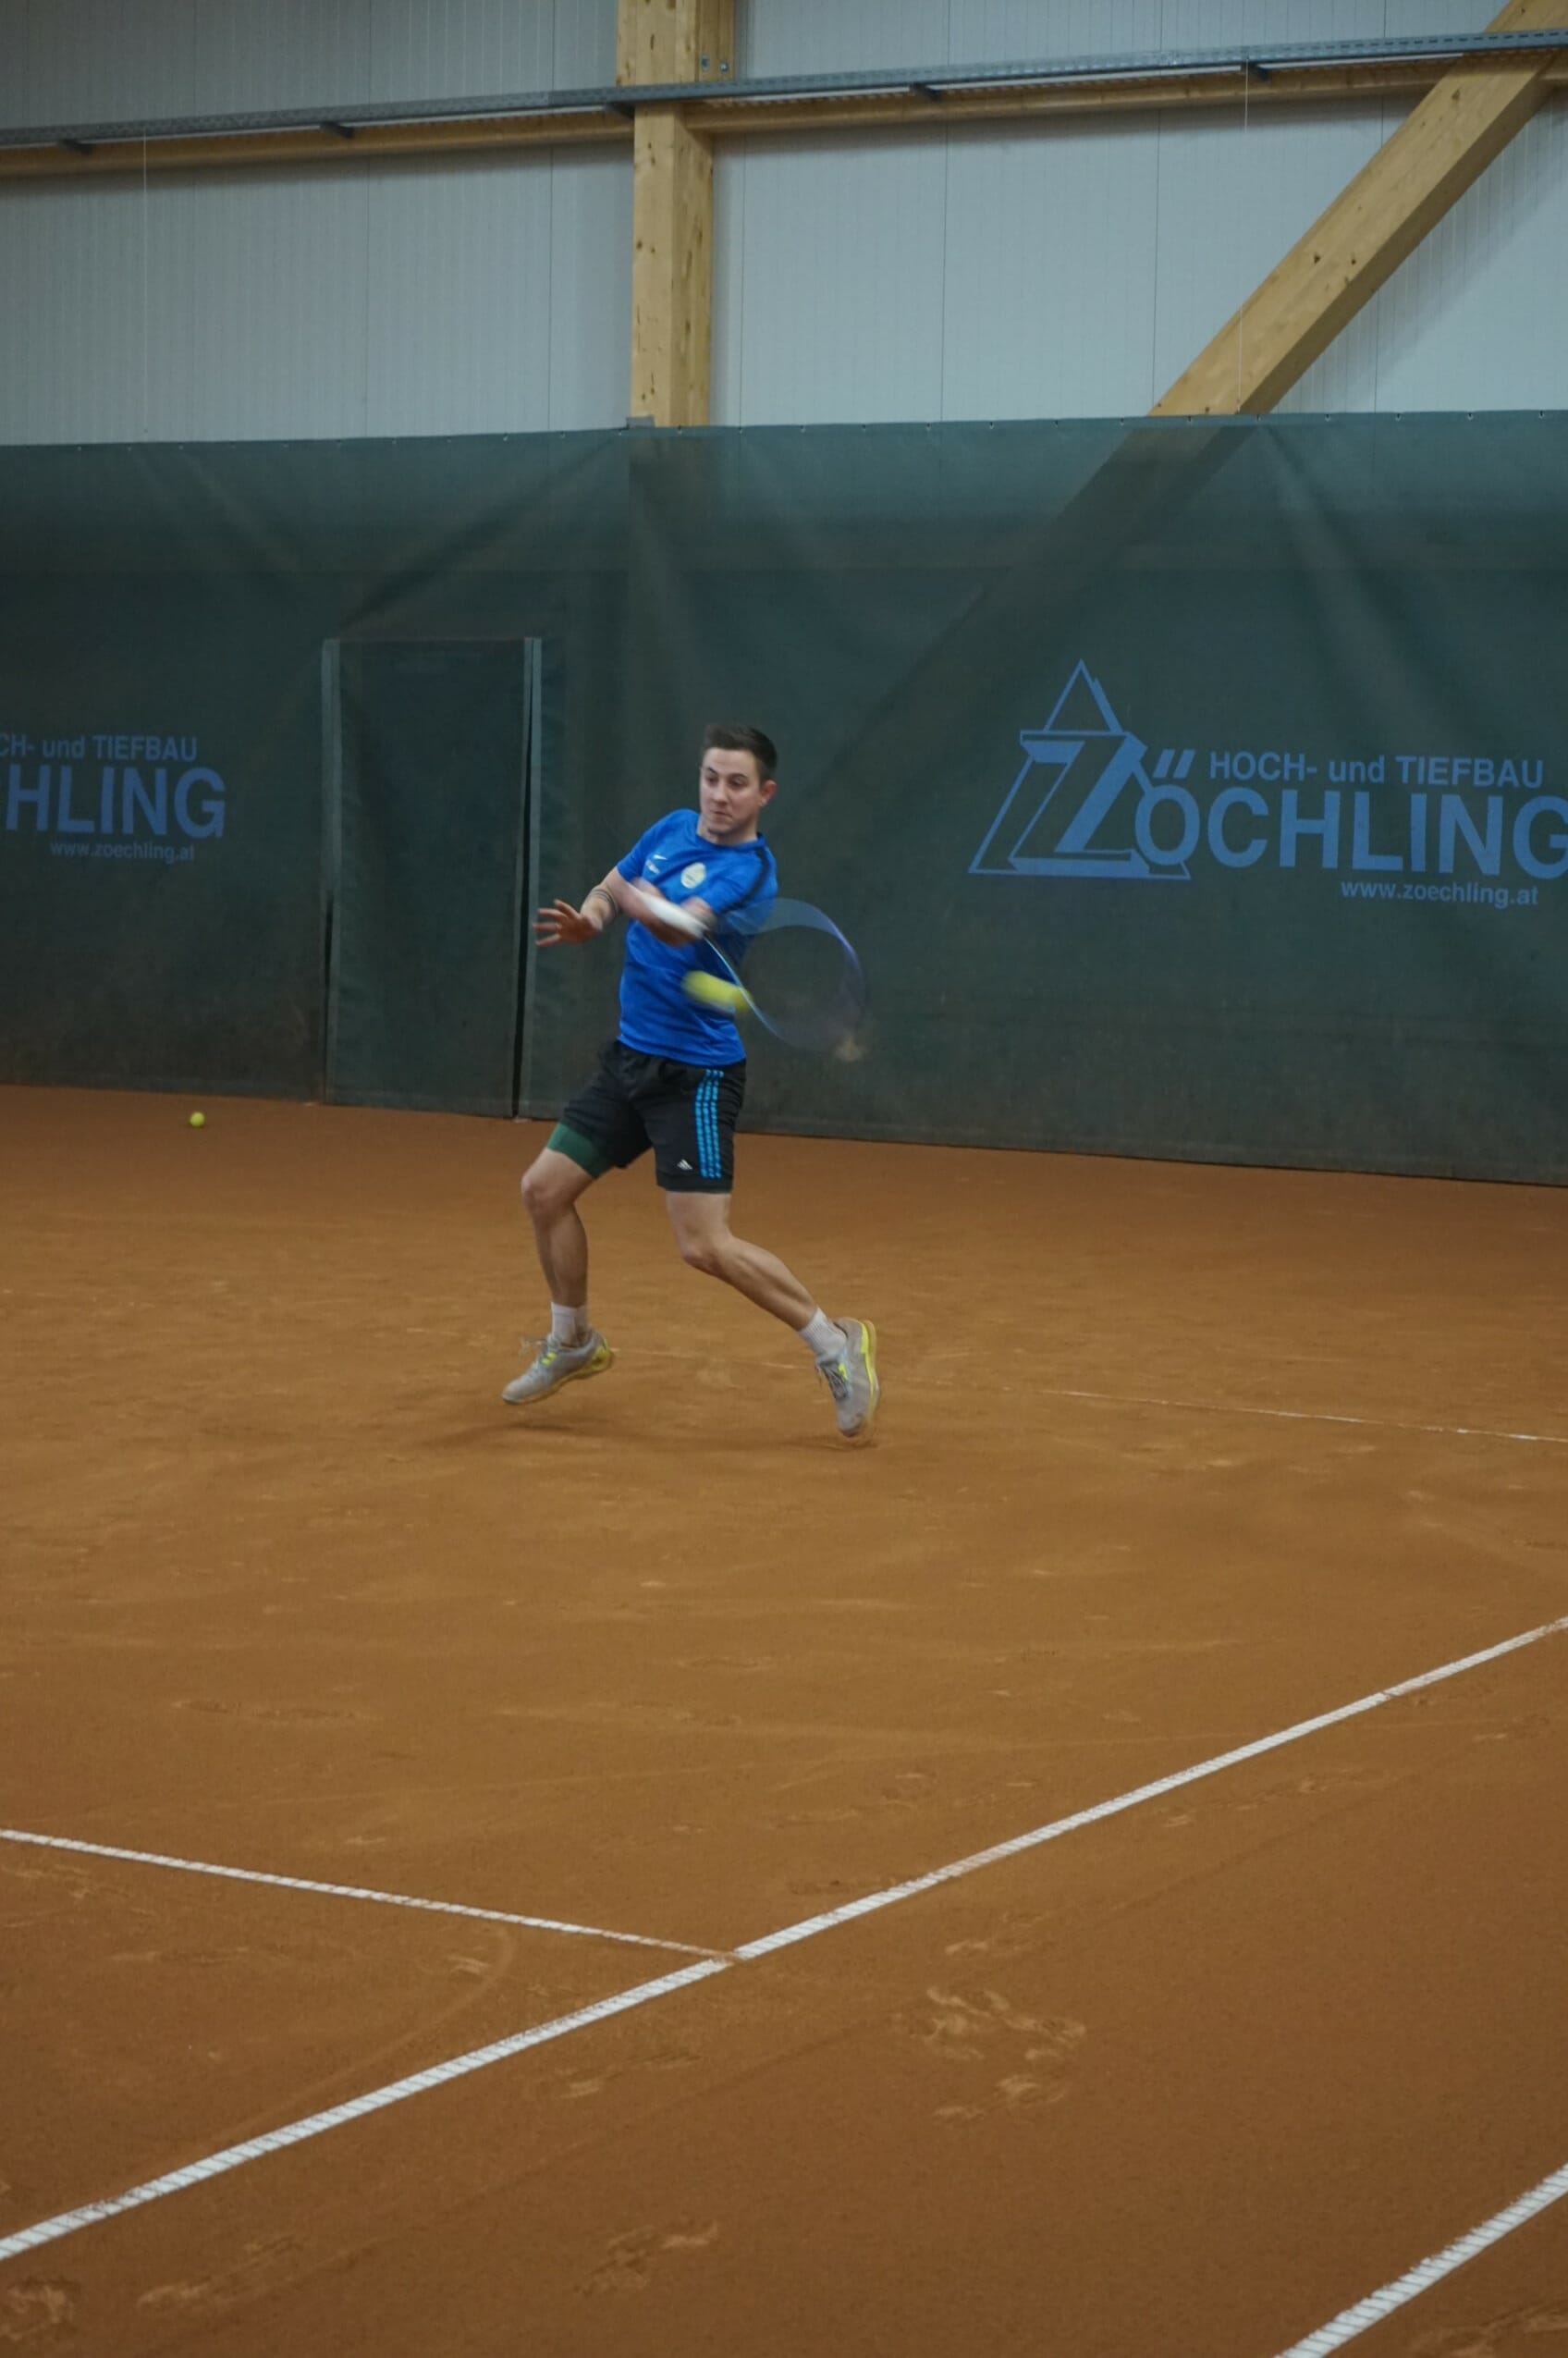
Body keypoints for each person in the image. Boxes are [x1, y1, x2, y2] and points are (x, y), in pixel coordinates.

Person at [506, 723, 878, 1441]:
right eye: (711, 778)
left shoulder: (752, 870)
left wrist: (637, 897)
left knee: (704, 1245)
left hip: (697, 1076)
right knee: (543, 1191)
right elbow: (612, 885)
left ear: (765, 794)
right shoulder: (673, 827)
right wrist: (594, 915)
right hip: (631, 1059)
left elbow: (679, 926)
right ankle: (574, 1340)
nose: (719, 795)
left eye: (737, 784)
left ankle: (836, 1343)